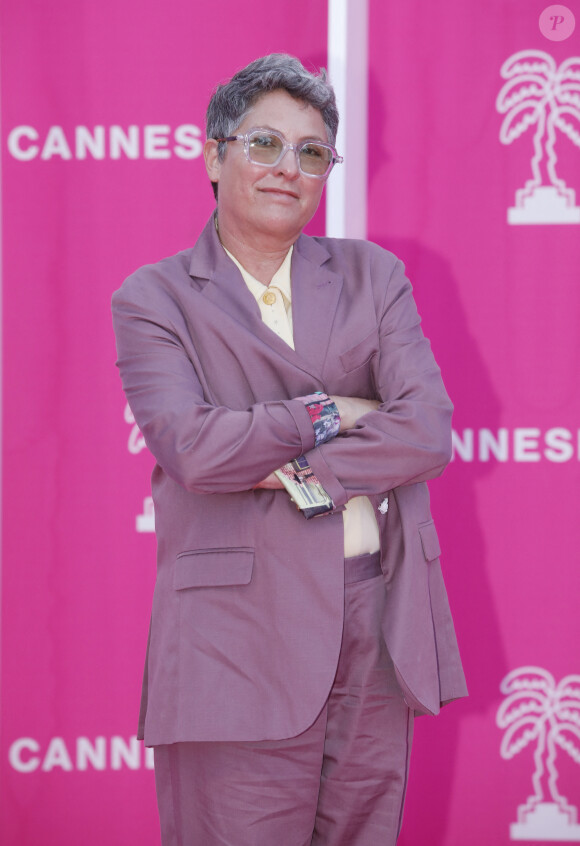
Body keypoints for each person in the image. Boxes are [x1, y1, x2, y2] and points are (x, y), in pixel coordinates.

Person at [112, 53, 467, 846]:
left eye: (312, 152)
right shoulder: (155, 297)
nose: (288, 168)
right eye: (265, 144)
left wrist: (302, 473)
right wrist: (329, 410)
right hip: (234, 633)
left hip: (374, 619)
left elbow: (426, 429)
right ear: (214, 153)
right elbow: (195, 449)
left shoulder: (374, 276)